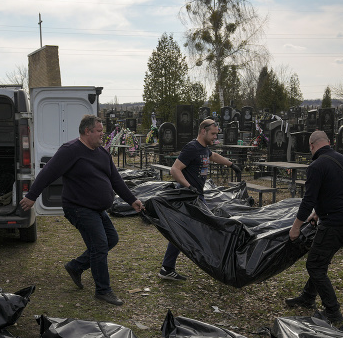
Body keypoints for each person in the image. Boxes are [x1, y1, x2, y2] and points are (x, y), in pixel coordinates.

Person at [20, 114, 143, 306]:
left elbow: (116, 179)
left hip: (97, 208)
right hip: (78, 208)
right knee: (100, 245)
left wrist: (132, 200)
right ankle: (103, 290)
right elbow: (48, 173)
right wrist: (31, 196)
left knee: (112, 239)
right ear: (87, 131)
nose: (103, 135)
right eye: (99, 131)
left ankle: (75, 267)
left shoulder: (101, 152)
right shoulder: (70, 151)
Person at [284, 130, 343, 325]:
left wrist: (295, 227)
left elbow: (308, 200)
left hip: (336, 221)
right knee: (320, 260)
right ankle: (308, 297)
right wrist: (317, 213)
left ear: (312, 146)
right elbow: (337, 189)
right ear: (328, 142)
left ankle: (333, 312)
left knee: (315, 265)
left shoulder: (316, 165)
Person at [158, 119, 238, 281]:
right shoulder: (191, 148)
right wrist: (188, 187)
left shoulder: (204, 148)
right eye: (213, 134)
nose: (215, 137)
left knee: (181, 232)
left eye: (217, 134)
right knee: (211, 227)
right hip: (189, 197)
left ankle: (167, 268)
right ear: (203, 131)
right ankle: (222, 266)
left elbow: (213, 156)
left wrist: (231, 165)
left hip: (197, 196)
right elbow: (175, 169)